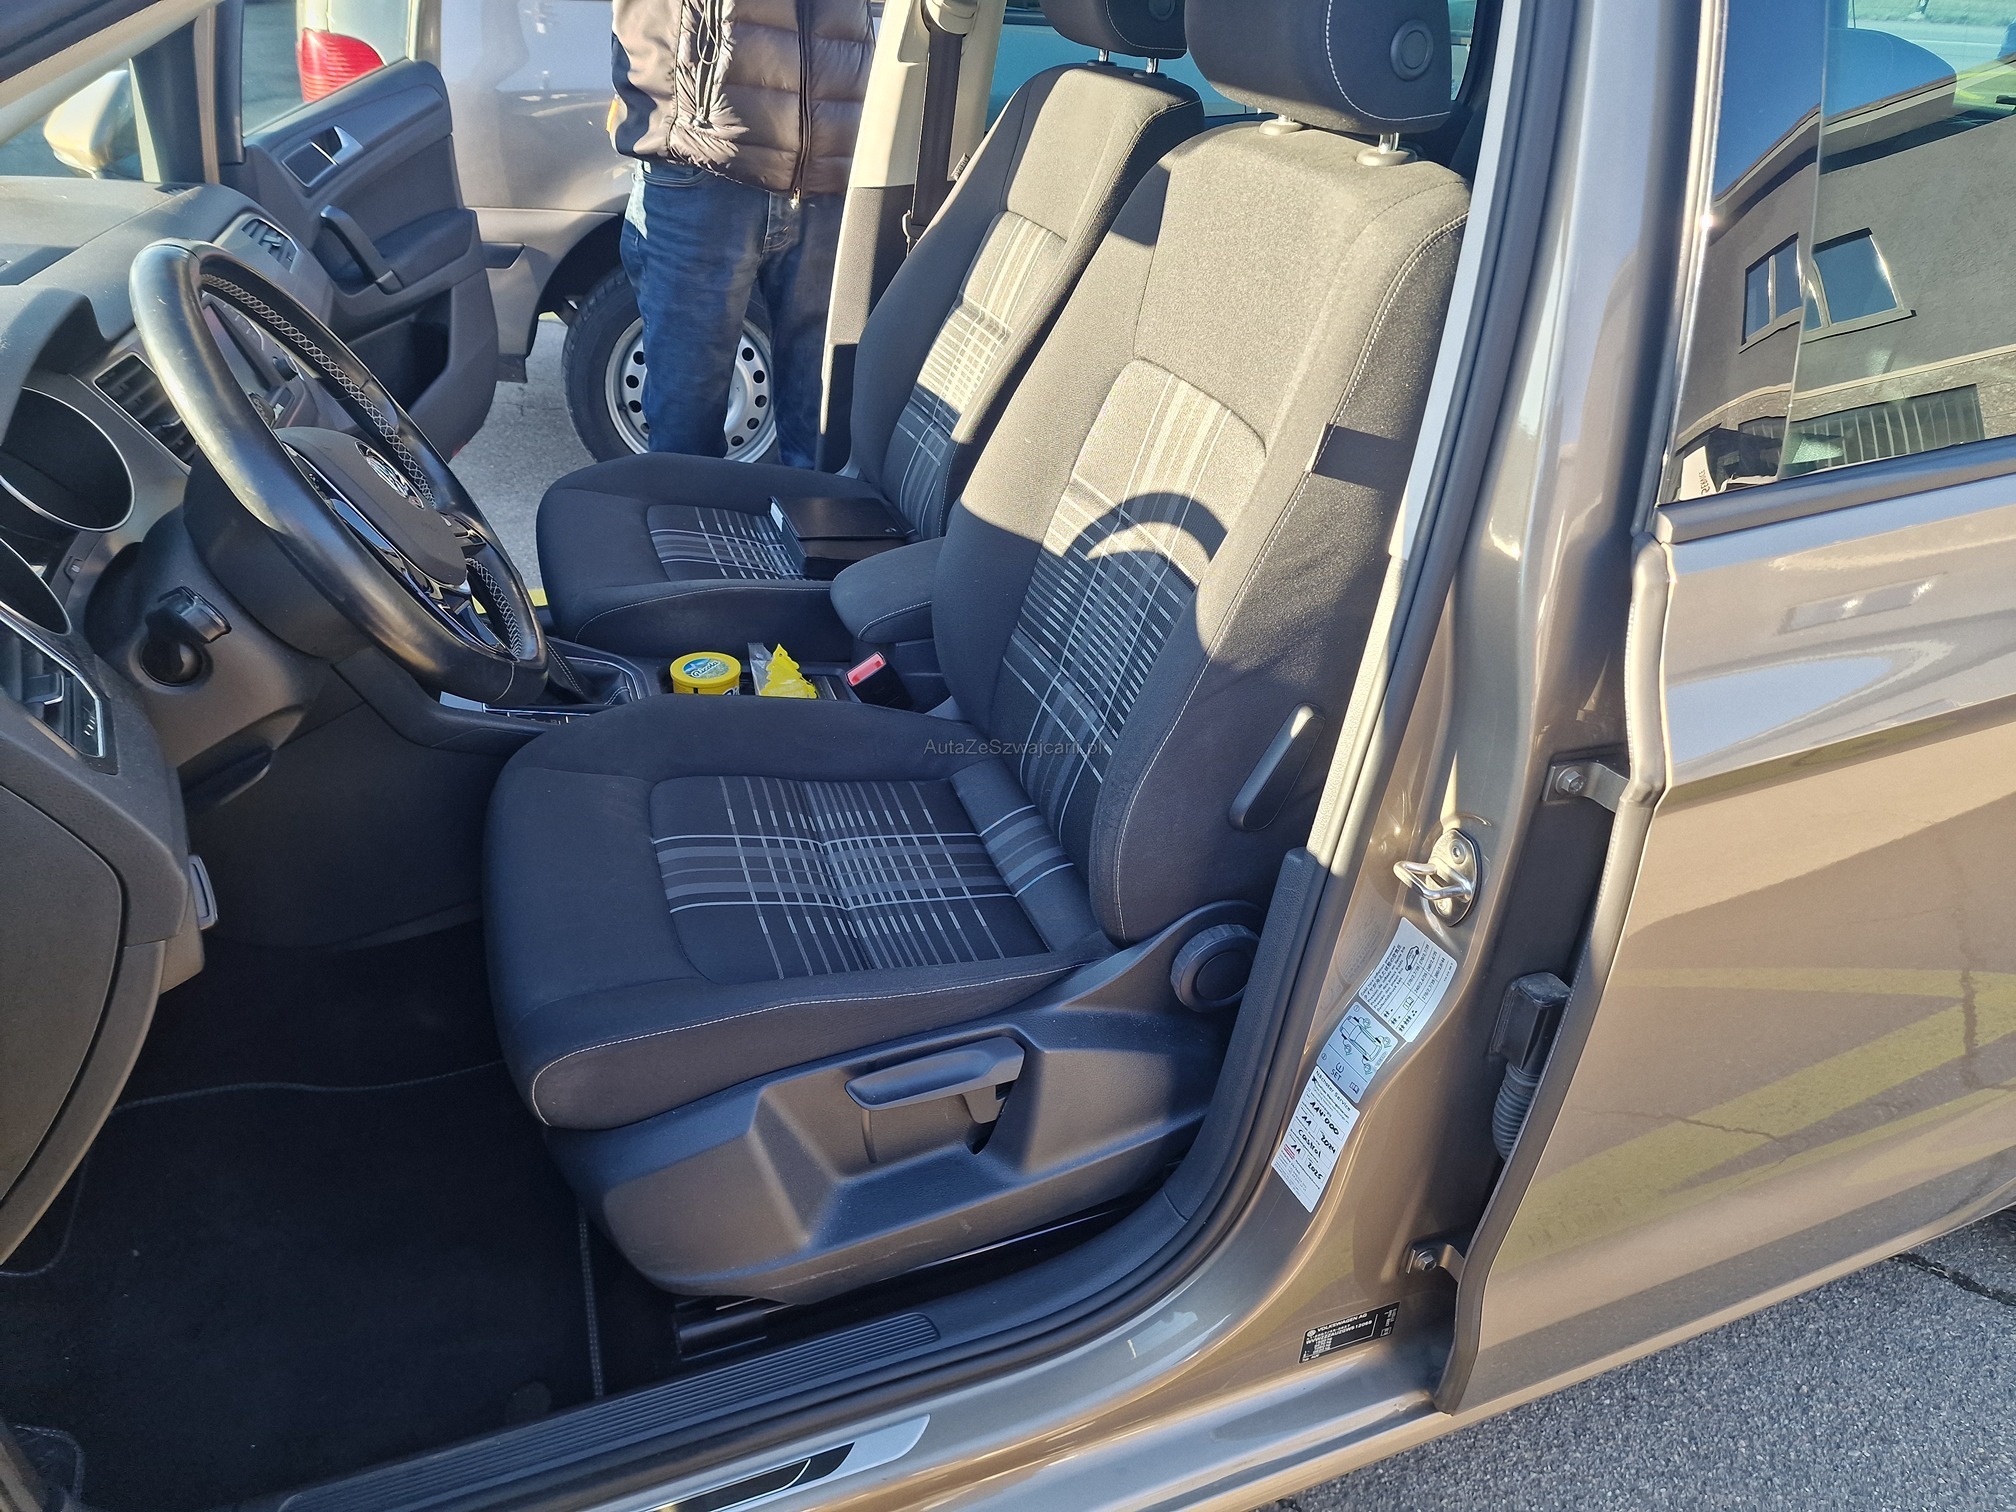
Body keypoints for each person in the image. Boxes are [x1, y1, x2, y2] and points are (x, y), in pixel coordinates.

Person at [609, 0, 874, 467]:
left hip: (830, 167)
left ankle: (807, 518)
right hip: (701, 161)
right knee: (685, 440)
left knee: (824, 439)